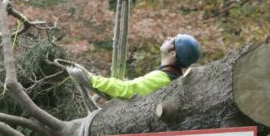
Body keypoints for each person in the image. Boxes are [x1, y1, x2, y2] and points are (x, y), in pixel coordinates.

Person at [68, 34, 201, 100]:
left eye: (172, 40)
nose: (168, 38)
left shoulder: (162, 79)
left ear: (173, 53)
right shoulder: (171, 77)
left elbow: (128, 89)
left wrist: (91, 79)